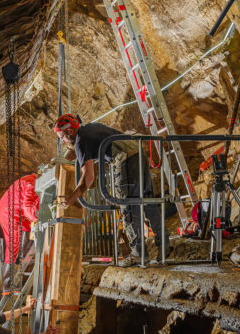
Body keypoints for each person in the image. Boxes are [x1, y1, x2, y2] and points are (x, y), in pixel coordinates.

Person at [53, 113, 170, 264]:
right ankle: (165, 246)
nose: (62, 141)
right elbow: (96, 143)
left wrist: (71, 198)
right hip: (138, 154)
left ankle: (139, 253)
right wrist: (76, 152)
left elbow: (88, 178)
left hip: (124, 160)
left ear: (69, 131)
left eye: (61, 136)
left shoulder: (81, 142)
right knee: (147, 202)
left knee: (128, 207)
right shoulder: (90, 128)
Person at [0, 173, 40, 272]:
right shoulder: (31, 183)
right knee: (13, 245)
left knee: (28, 228)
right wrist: (39, 220)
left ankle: (22, 257)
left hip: (18, 212)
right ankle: (7, 285)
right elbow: (28, 208)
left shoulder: (34, 181)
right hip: (8, 212)